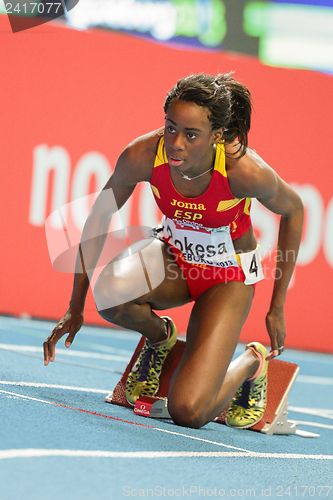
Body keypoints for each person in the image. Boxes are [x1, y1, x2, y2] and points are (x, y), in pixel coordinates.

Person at [43, 73, 303, 430]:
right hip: (174, 261)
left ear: (218, 136)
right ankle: (160, 338)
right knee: (110, 292)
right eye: (170, 127)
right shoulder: (144, 155)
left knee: (189, 412)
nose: (176, 143)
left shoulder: (244, 170)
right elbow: (99, 216)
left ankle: (251, 363)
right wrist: (75, 306)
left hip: (227, 277)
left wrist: (277, 307)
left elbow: (295, 210)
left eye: (191, 134)